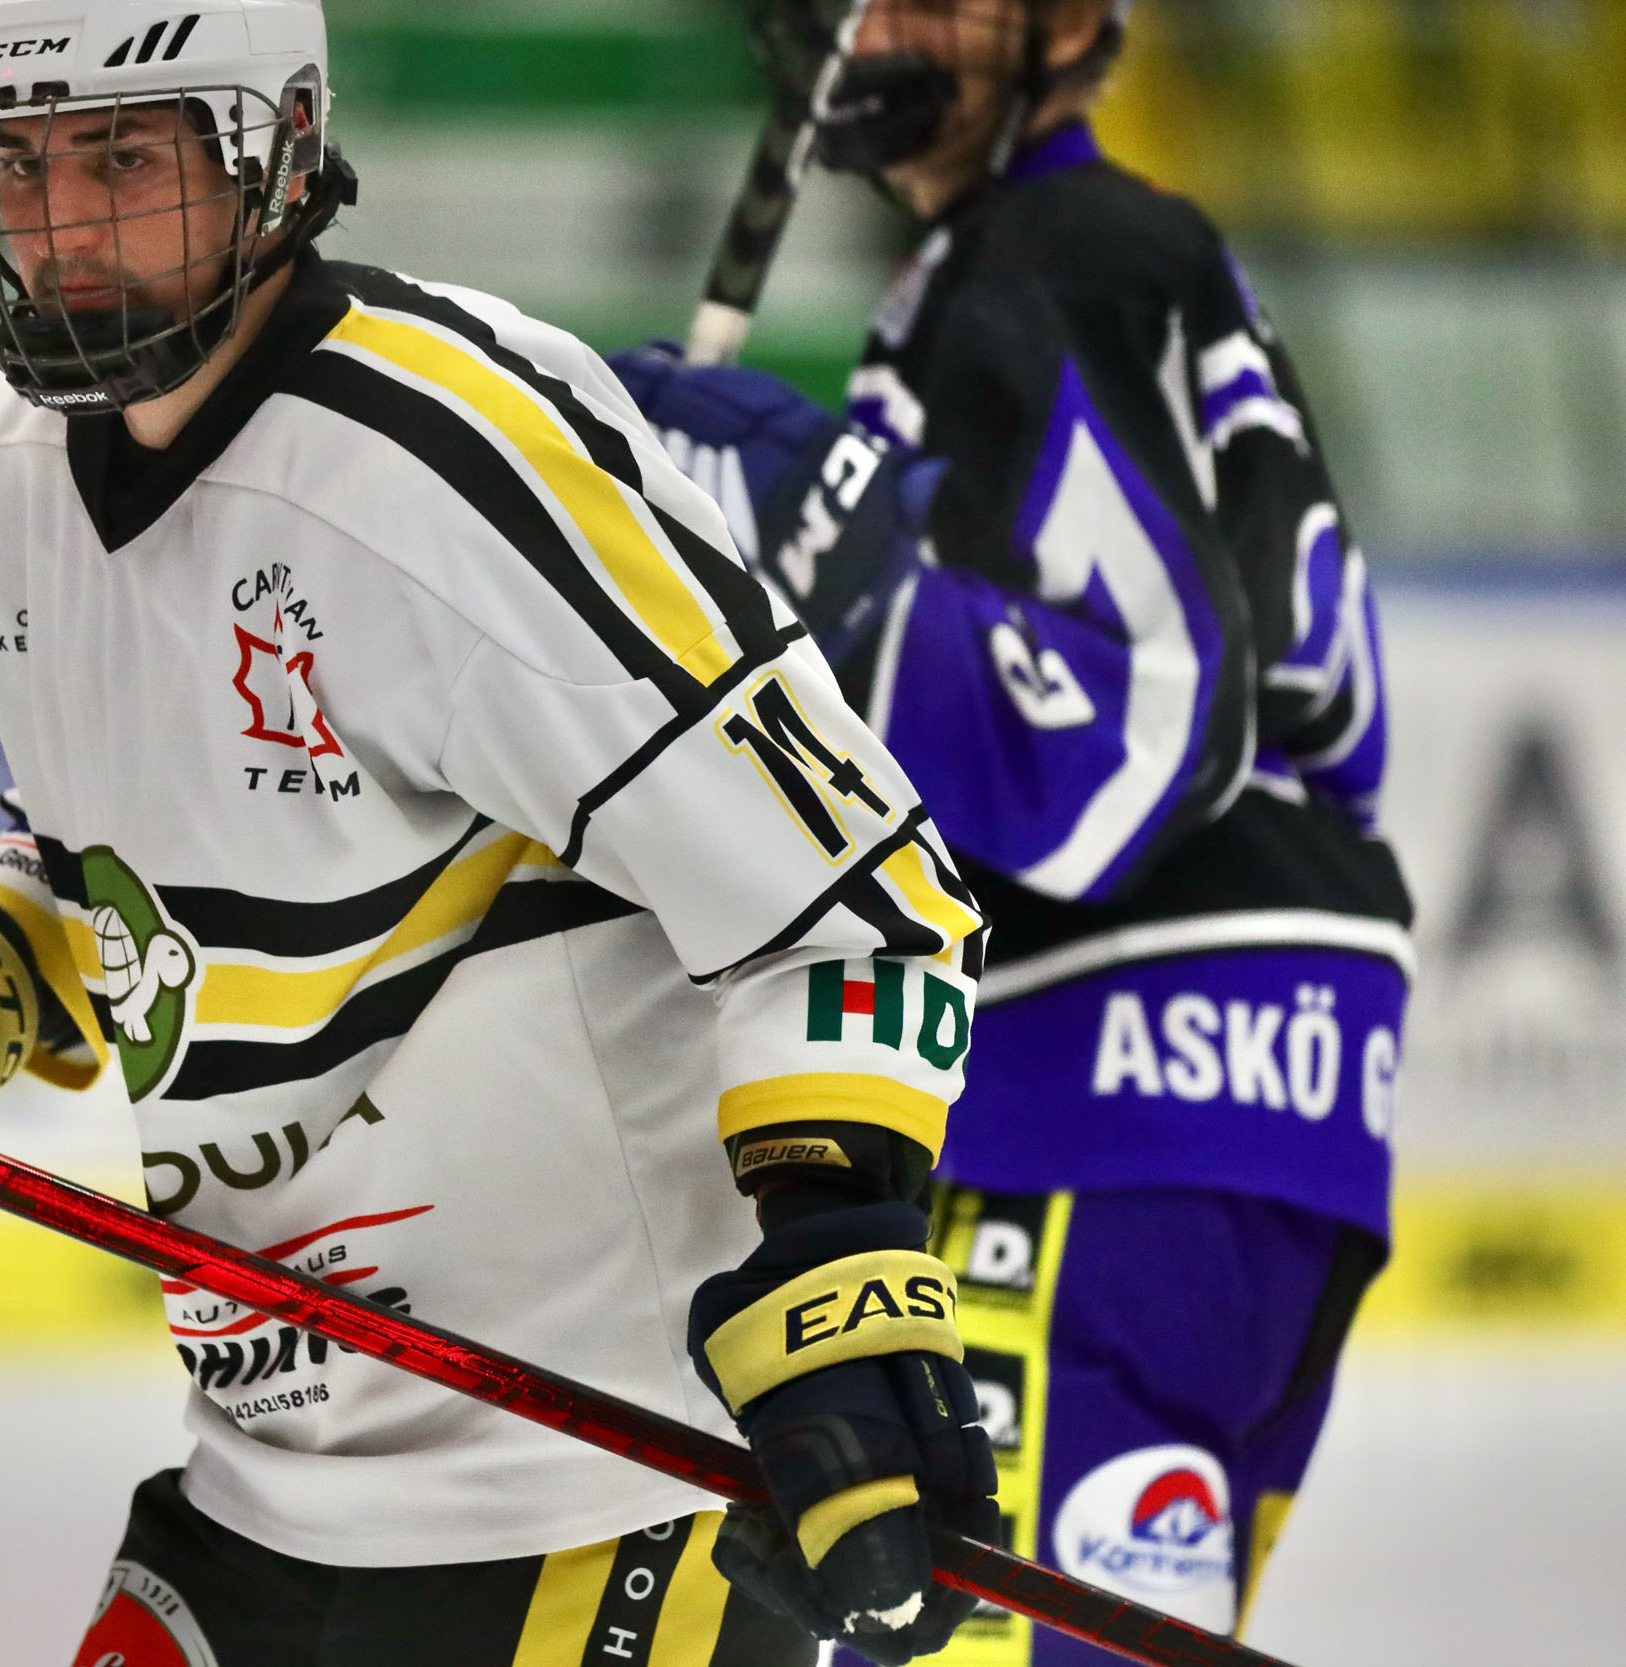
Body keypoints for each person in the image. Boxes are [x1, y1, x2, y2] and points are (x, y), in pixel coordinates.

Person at [0, 1, 1005, 1661]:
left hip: (598, 1494)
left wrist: (840, 1272)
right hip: (262, 1485)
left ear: (276, 152)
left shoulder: (442, 460)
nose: (60, 226)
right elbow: (137, 877)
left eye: (122, 158)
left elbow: (863, 903)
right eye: (18, 164)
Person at [610, 3, 1412, 1661]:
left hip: (1108, 1102)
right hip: (1248, 1108)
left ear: (1069, 22)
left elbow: (1137, 735)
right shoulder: (1055, 260)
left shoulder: (1054, 253)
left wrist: (816, 525)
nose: (878, 23)